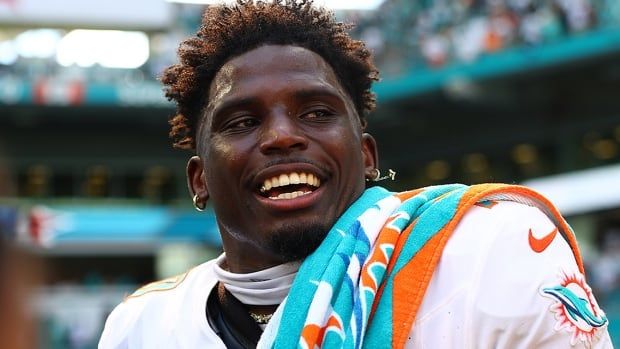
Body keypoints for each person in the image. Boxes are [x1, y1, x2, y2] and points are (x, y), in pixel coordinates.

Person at [99, 1, 612, 348]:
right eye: (243, 121)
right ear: (199, 180)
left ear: (366, 156)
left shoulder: (489, 255)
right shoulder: (141, 327)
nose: (281, 137)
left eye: (317, 113)